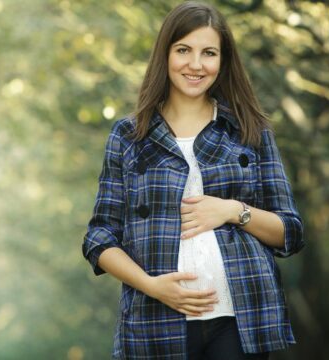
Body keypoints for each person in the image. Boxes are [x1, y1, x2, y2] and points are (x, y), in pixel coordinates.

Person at [82, 1, 305, 359]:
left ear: (223, 61)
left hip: (241, 319)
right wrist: (151, 286)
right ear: (165, 55)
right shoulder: (128, 136)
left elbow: (290, 232)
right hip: (155, 323)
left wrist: (233, 210)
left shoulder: (250, 131)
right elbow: (99, 237)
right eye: (184, 50)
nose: (196, 65)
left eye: (209, 53)